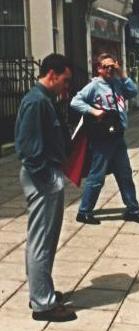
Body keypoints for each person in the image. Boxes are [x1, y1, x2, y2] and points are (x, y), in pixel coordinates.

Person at [15, 54, 77, 322]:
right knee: (42, 240)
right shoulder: (36, 101)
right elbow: (27, 149)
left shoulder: (45, 100)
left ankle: (42, 291)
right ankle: (43, 303)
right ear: (52, 74)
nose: (67, 87)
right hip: (42, 176)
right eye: (65, 80)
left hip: (46, 173)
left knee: (44, 239)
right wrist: (49, 180)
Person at [71, 53, 139, 225]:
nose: (109, 70)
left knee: (125, 174)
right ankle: (84, 211)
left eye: (112, 66)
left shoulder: (118, 83)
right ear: (98, 68)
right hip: (103, 137)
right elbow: (75, 102)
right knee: (97, 176)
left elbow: (133, 91)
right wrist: (94, 111)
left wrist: (122, 73)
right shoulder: (94, 85)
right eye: (105, 67)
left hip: (118, 135)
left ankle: (132, 210)